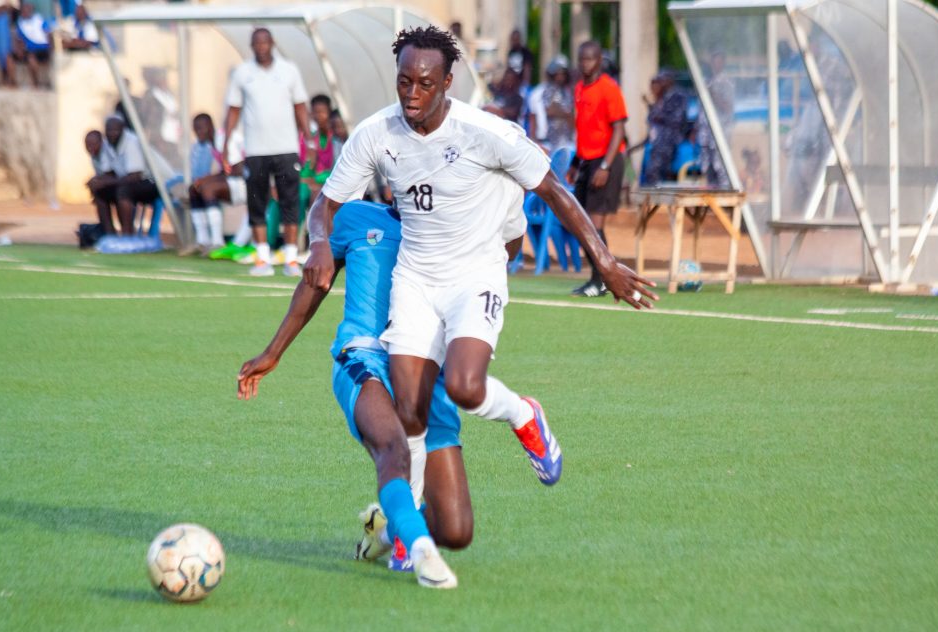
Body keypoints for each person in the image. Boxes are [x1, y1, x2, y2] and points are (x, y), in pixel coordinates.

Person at [306, 27, 657, 582]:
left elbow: (556, 192)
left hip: (474, 278)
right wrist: (319, 243)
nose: (412, 94)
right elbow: (324, 205)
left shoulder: (487, 134)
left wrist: (605, 263)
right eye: (404, 81)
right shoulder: (377, 133)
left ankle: (524, 415)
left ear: (449, 82)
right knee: (409, 411)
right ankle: (406, 538)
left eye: (425, 83)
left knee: (466, 386)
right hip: (415, 280)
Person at [238, 194, 510, 589]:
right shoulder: (356, 216)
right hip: (365, 358)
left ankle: (386, 530)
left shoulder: (451, 229)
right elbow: (316, 279)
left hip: (426, 371)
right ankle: (420, 551)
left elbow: (505, 249)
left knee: (455, 529)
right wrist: (273, 352)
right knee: (393, 449)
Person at [223, 27, 313, 278]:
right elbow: (233, 109)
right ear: (252, 45)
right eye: (256, 43)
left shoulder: (289, 70)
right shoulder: (243, 72)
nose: (261, 47)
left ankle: (291, 259)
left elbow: (300, 106)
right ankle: (262, 258)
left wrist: (310, 140)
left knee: (289, 201)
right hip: (256, 150)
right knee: (257, 202)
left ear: (272, 43)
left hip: (286, 149)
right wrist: (226, 141)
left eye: (265, 42)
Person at [569, 40, 628, 298]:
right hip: (587, 160)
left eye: (590, 59)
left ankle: (602, 279)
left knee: (593, 224)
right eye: (582, 59)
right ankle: (598, 276)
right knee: (582, 224)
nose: (585, 64)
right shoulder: (579, 88)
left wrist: (605, 166)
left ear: (600, 61)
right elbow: (584, 129)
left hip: (606, 160)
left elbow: (619, 129)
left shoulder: (609, 88)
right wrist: (575, 162)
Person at [88, 116, 160, 237]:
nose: (111, 134)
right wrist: (97, 181)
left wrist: (107, 182)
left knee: (123, 191)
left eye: (115, 130)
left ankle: (127, 235)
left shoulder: (131, 142)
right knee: (100, 192)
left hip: (150, 183)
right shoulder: (108, 144)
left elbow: (135, 176)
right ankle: (110, 235)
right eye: (108, 130)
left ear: (123, 129)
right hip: (127, 183)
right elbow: (109, 174)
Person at [186, 113, 228, 252]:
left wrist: (204, 180)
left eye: (201, 128)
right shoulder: (196, 147)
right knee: (194, 189)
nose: (198, 132)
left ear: (210, 126)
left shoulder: (221, 141)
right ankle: (202, 241)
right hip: (212, 181)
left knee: (207, 188)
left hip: (232, 182)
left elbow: (228, 170)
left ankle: (217, 241)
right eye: (195, 129)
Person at [643, 70, 688, 185]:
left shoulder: (678, 96)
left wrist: (659, 116)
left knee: (657, 172)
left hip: (670, 140)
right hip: (658, 142)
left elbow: (677, 119)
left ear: (670, 80)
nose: (661, 83)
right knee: (653, 174)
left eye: (662, 80)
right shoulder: (662, 97)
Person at [697, 51, 735, 188]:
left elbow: (728, 107)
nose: (716, 64)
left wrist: (713, 95)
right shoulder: (706, 82)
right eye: (714, 61)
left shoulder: (726, 83)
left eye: (719, 61)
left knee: (721, 168)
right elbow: (701, 110)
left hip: (720, 133)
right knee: (707, 168)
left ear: (723, 63)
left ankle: (724, 195)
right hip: (706, 134)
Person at [527, 54, 574, 152]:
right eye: (558, 73)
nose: (560, 76)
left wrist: (565, 114)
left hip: (566, 141)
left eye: (563, 73)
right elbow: (550, 110)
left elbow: (572, 118)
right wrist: (566, 114)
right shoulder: (544, 91)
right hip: (548, 142)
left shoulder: (568, 92)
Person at [84, 129, 117, 234]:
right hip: (114, 184)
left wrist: (94, 181)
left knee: (100, 193)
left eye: (93, 144)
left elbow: (109, 174)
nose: (89, 148)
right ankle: (107, 230)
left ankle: (110, 231)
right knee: (98, 193)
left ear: (101, 142)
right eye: (87, 145)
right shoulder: (94, 156)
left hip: (124, 184)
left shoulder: (106, 152)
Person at [13, 1, 52, 88]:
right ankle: (35, 83)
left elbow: (48, 33)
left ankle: (47, 82)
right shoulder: (20, 23)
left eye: (27, 9)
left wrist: (50, 47)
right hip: (30, 50)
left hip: (43, 48)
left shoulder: (39, 19)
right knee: (31, 58)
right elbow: (19, 39)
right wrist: (20, 49)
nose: (25, 11)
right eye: (23, 10)